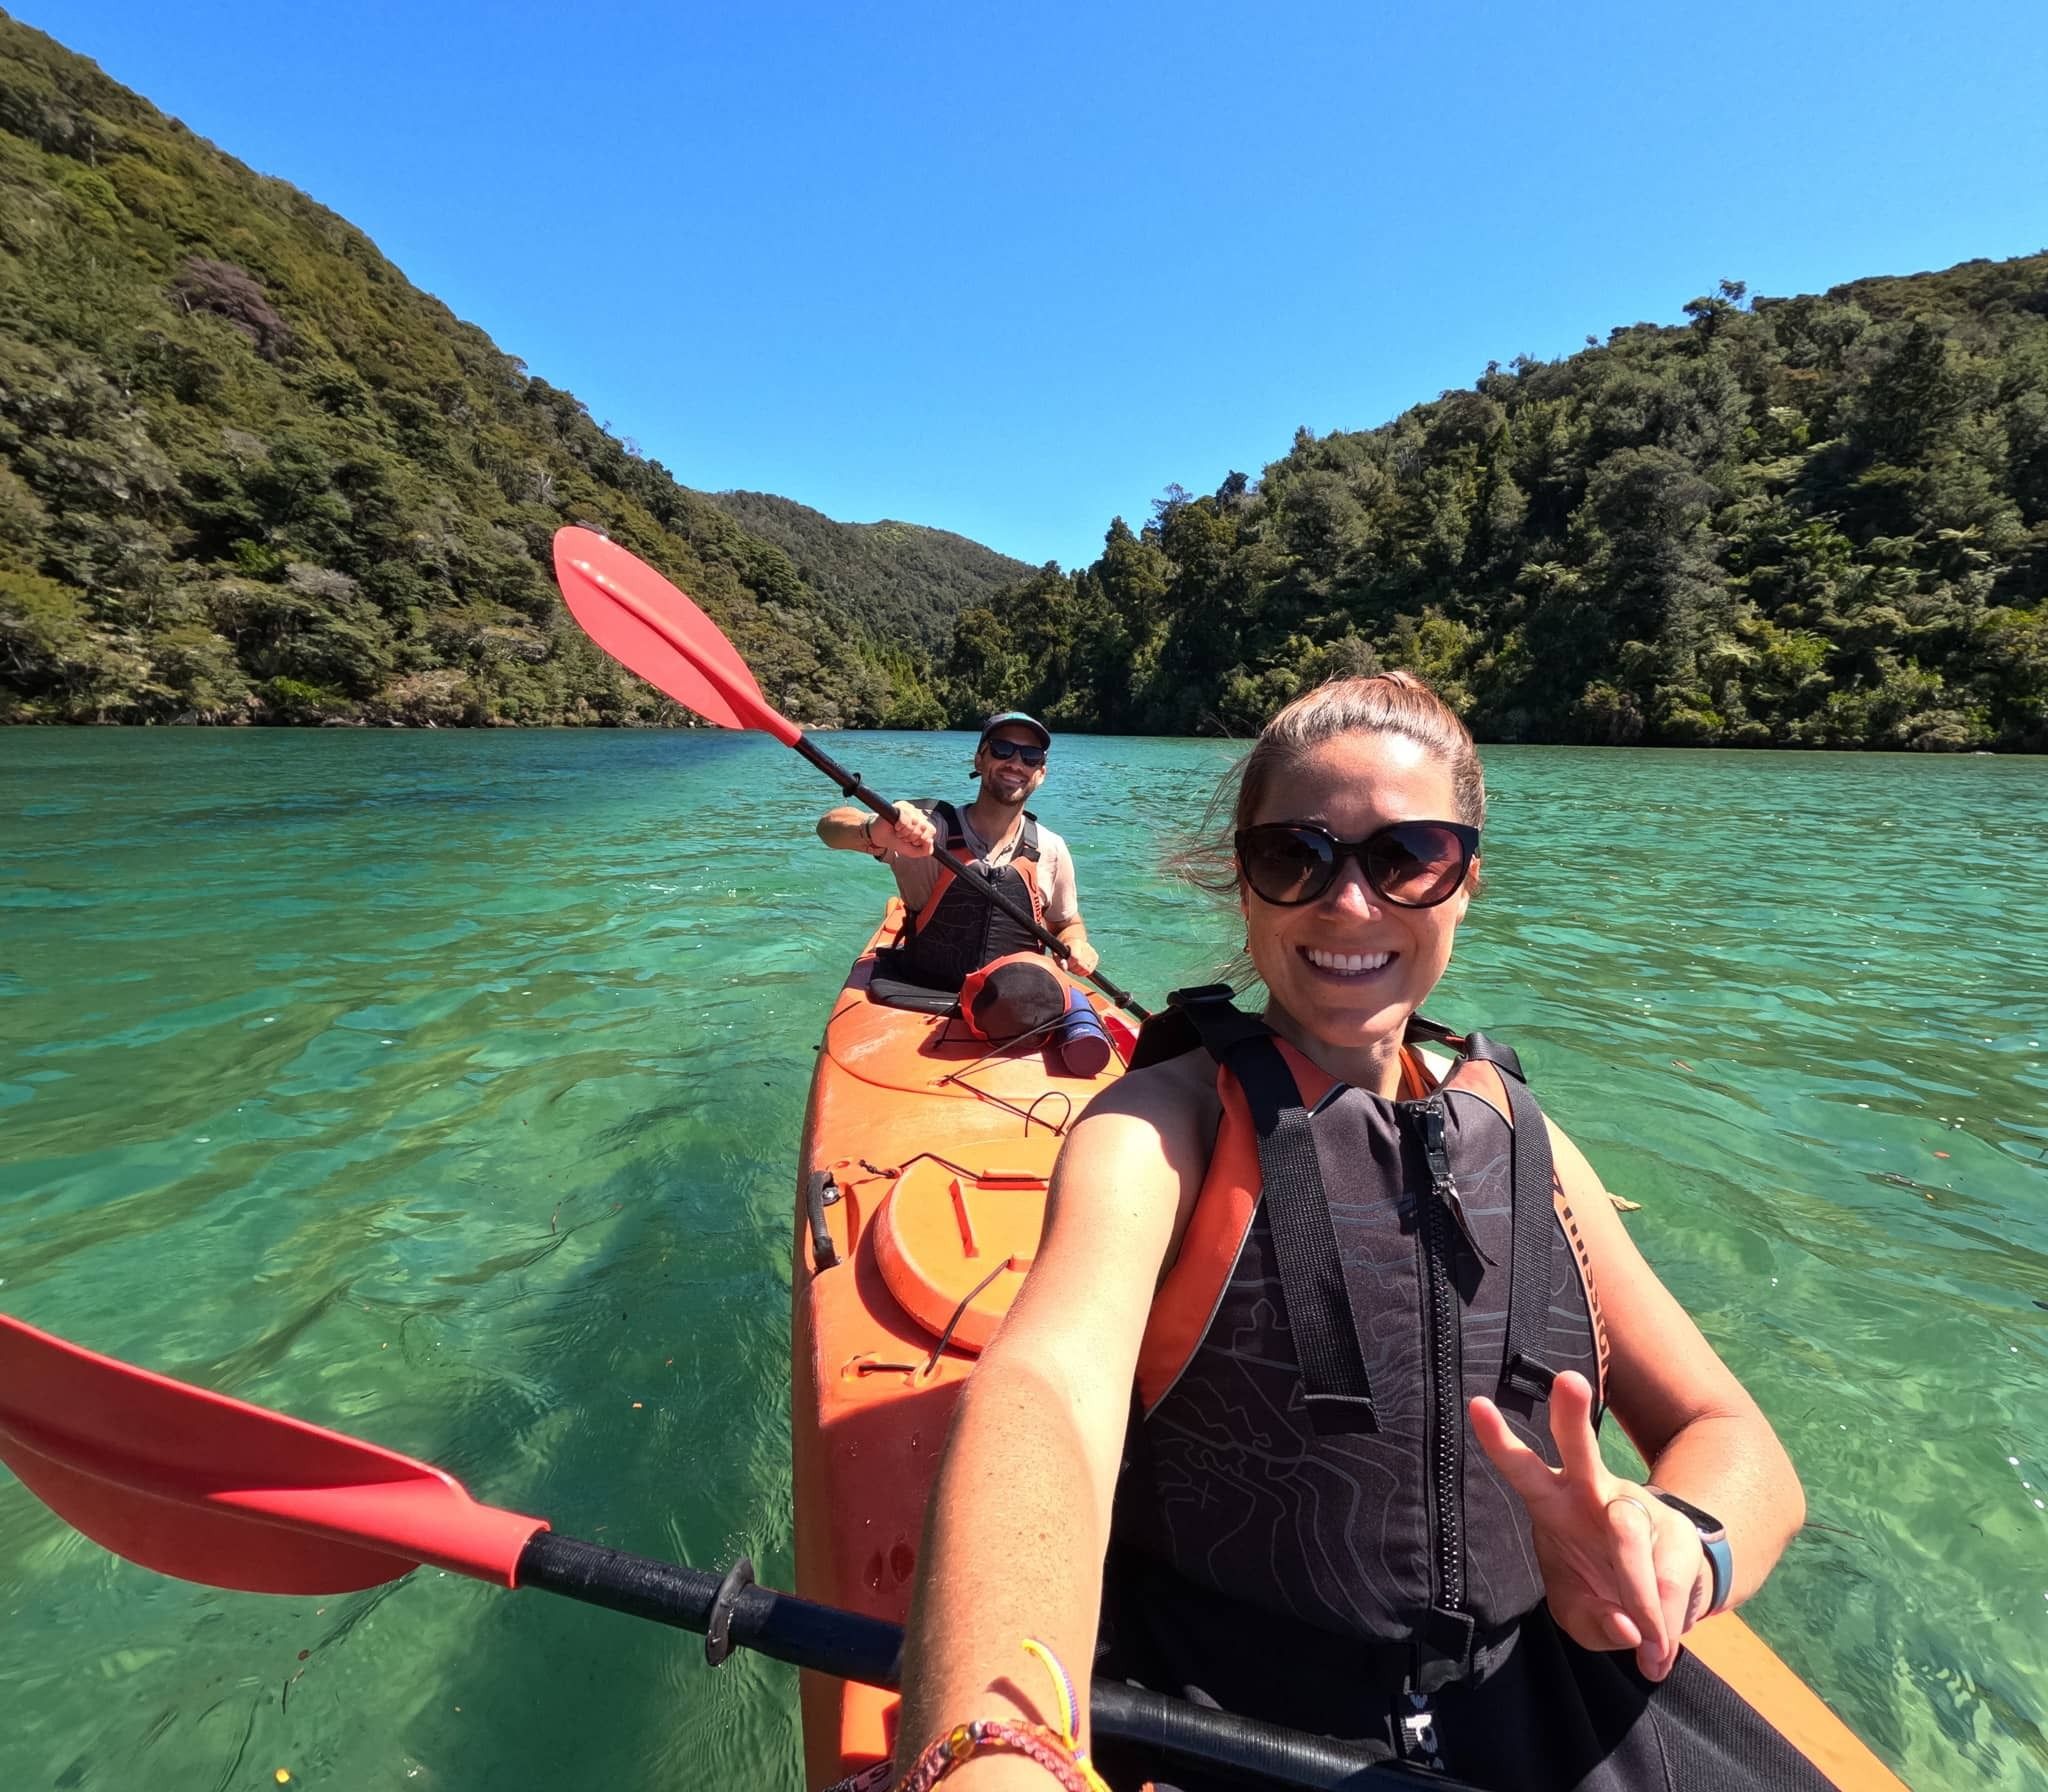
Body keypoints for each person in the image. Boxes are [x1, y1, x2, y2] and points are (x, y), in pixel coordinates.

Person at [892, 673, 1812, 1791]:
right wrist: (991, 1745)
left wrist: (1680, 1549)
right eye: (1296, 856)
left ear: (1464, 881)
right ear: (1244, 883)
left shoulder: (1529, 1140)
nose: (1349, 904)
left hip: (1543, 1696)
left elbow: (1734, 1437)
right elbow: (1042, 1396)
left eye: (1406, 857)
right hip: (1220, 1718)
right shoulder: (1156, 1132)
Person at [816, 712, 1097, 992]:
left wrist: (1076, 942)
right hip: (924, 996)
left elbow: (1066, 923)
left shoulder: (1051, 848)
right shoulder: (929, 829)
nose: (1015, 763)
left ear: (1041, 773)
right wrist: (874, 829)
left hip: (1016, 1010)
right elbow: (829, 829)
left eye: (1031, 756)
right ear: (979, 758)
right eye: (1002, 749)